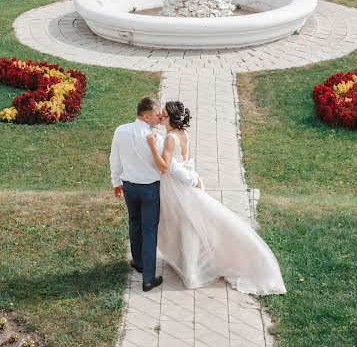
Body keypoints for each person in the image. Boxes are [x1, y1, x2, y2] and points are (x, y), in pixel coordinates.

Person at [146, 100, 287, 295]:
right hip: (188, 183)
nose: (160, 115)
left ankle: (192, 274)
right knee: (189, 225)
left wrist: (153, 147)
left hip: (179, 188)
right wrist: (194, 178)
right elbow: (187, 161)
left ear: (170, 117)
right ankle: (189, 265)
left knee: (187, 226)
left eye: (163, 113)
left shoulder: (170, 138)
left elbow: (166, 167)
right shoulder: (183, 134)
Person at [109, 96, 199, 292]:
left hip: (129, 188)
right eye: (158, 115)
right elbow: (169, 166)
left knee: (134, 222)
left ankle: (139, 262)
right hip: (150, 190)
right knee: (149, 230)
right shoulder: (156, 139)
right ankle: (148, 278)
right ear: (147, 116)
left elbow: (114, 158)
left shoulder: (120, 131)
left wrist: (116, 183)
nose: (160, 118)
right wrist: (193, 179)